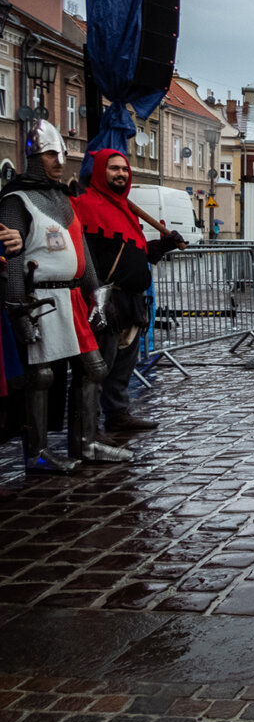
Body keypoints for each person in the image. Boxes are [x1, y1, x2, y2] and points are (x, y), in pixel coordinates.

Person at [0, 121, 131, 472]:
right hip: (38, 301)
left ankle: (85, 442)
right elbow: (12, 262)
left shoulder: (63, 200)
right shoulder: (16, 201)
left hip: (72, 300)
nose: (59, 160)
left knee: (94, 369)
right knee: (40, 377)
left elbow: (82, 253)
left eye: (61, 153)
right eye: (50, 154)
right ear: (33, 157)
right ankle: (38, 453)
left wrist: (97, 296)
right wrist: (18, 310)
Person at [73, 149, 184, 433]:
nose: (121, 173)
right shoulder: (84, 206)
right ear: (100, 171)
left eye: (124, 169)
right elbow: (85, 259)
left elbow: (137, 252)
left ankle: (117, 414)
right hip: (104, 299)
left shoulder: (126, 210)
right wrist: (95, 295)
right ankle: (88, 428)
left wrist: (165, 244)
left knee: (123, 365)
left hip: (131, 302)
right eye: (113, 169)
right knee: (98, 367)